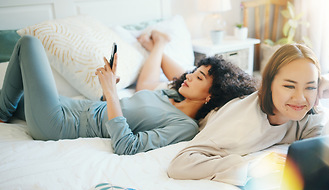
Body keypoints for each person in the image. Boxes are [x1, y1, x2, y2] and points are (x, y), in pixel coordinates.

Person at [0, 30, 257, 155]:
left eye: (199, 76)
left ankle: (2, 113)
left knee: (28, 43)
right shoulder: (168, 94)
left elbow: (127, 146)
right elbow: (113, 111)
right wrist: (108, 93)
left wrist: (112, 93)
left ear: (210, 96)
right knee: (13, 94)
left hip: (60, 124)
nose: (188, 75)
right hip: (71, 106)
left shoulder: (184, 127)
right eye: (194, 70)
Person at [167, 43, 329, 185]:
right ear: (269, 84)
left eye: (310, 87)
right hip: (214, 109)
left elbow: (323, 154)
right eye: (289, 85)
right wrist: (244, 166)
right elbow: (180, 163)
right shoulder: (240, 122)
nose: (300, 98)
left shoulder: (308, 113)